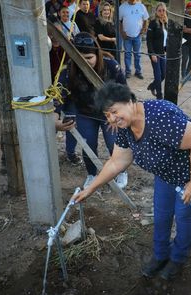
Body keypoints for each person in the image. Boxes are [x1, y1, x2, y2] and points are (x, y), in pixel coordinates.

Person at [73, 82, 191, 281]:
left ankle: (179, 258)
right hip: (166, 172)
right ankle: (160, 255)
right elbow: (117, 161)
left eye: (114, 111)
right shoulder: (124, 126)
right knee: (162, 212)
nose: (112, 119)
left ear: (131, 101)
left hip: (190, 170)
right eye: (107, 115)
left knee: (184, 215)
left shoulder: (159, 117)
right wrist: (91, 188)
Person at [64, 32, 128, 189]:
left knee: (114, 144)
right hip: (85, 113)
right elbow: (63, 93)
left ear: (97, 55)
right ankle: (92, 174)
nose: (85, 63)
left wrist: (118, 114)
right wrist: (66, 112)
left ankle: (121, 172)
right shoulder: (70, 69)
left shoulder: (111, 66)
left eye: (89, 58)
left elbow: (124, 91)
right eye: (81, 58)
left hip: (109, 114)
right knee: (88, 145)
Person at [119, 0, 149, 79]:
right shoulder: (122, 7)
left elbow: (146, 19)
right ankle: (128, 72)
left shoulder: (141, 6)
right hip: (126, 36)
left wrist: (143, 29)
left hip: (137, 36)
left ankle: (138, 71)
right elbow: (119, 21)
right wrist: (122, 32)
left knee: (137, 55)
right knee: (127, 54)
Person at [146, 2, 167, 99]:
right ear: (156, 11)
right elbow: (149, 40)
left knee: (164, 74)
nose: (162, 12)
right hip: (154, 53)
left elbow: (166, 39)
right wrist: (152, 53)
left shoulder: (166, 22)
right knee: (158, 76)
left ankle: (152, 86)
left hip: (163, 53)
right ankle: (159, 96)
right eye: (159, 10)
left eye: (163, 10)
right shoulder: (153, 23)